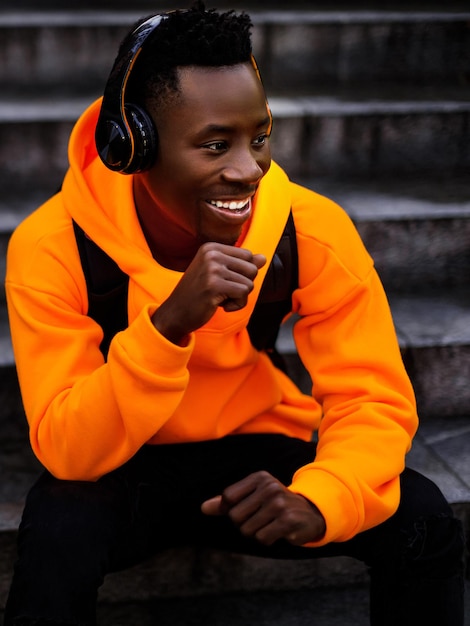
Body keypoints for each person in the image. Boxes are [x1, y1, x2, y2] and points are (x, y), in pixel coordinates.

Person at [3, 3, 464, 625]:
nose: (249, 169)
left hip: (257, 449)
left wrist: (321, 500)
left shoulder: (310, 229)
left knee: (425, 518)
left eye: (260, 137)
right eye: (215, 144)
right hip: (124, 459)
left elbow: (371, 399)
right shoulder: (52, 246)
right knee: (57, 530)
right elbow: (67, 449)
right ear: (131, 144)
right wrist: (169, 325)